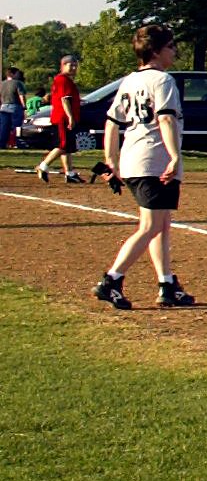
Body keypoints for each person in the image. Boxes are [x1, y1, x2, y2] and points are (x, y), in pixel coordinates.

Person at [93, 23, 194, 310]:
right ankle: (111, 279)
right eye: (171, 47)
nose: (174, 52)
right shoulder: (162, 81)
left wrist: (111, 159)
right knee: (150, 226)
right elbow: (165, 119)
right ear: (156, 51)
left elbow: (112, 122)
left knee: (161, 225)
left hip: (135, 159)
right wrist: (174, 156)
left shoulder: (129, 81)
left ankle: (166, 284)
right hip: (154, 161)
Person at [36, 53, 85, 184]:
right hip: (63, 118)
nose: (74, 68)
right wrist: (70, 117)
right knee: (62, 145)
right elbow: (64, 100)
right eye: (71, 65)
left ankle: (69, 173)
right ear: (63, 66)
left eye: (75, 65)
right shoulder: (62, 79)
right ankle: (43, 166)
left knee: (67, 146)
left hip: (64, 117)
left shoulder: (67, 80)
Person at [0, 66, 24, 152]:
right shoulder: (18, 83)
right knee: (16, 127)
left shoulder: (1, 84)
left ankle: (2, 143)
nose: (18, 75)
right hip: (15, 107)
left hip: (3, 107)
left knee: (4, 127)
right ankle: (16, 143)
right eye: (17, 73)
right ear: (13, 74)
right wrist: (24, 106)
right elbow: (21, 95)